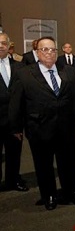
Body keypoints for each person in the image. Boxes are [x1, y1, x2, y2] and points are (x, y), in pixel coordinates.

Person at [9, 36, 75, 210]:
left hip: (66, 127)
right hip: (39, 128)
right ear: (37, 52)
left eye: (53, 49)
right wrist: (15, 127)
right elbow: (16, 103)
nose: (49, 53)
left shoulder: (68, 71)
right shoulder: (24, 74)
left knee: (68, 162)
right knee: (43, 164)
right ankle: (49, 195)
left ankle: (72, 191)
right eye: (44, 49)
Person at [0, 33, 29, 192]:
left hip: (14, 122)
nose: (1, 46)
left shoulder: (20, 67)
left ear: (9, 46)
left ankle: (13, 180)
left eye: (4, 43)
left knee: (14, 153)